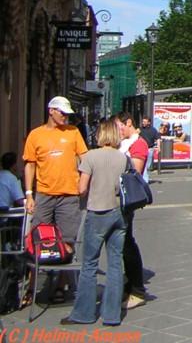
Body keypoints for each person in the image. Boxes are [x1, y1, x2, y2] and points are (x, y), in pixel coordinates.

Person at [61, 119, 128, 327]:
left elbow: (82, 188)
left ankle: (84, 313)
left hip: (97, 212)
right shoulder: (123, 158)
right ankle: (112, 315)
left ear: (100, 135)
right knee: (115, 264)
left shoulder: (90, 157)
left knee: (89, 264)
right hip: (119, 214)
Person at [23, 96, 88, 303]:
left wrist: (84, 184)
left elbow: (84, 158)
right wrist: (29, 194)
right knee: (38, 239)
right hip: (44, 194)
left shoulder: (73, 132)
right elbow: (30, 165)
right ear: (51, 110)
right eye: (62, 112)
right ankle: (32, 286)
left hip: (69, 195)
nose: (65, 116)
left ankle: (61, 285)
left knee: (67, 240)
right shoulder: (36, 135)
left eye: (67, 113)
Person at [116, 112, 148, 310]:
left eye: (119, 126)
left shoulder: (138, 144)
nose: (117, 130)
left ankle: (137, 288)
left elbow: (134, 172)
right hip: (118, 200)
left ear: (129, 123)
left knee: (127, 243)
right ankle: (129, 285)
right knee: (123, 243)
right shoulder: (124, 144)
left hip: (127, 200)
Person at [138, 117, 159, 184]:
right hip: (142, 148)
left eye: (145, 121)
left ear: (149, 122)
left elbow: (158, 138)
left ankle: (143, 178)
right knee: (143, 164)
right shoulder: (140, 129)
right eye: (143, 121)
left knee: (147, 165)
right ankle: (145, 180)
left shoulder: (153, 130)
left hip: (150, 148)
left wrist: (159, 147)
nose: (143, 123)